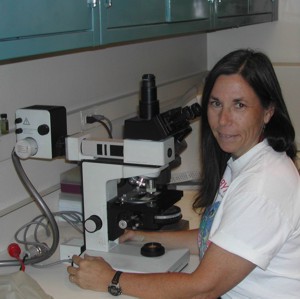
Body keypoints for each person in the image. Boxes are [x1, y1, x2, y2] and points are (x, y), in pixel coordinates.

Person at [67, 49, 300, 298]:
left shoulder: (261, 187)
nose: (223, 120)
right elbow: (215, 240)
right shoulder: (247, 160)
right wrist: (143, 237)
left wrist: (111, 280)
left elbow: (203, 289)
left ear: (268, 111)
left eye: (239, 105)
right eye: (216, 104)